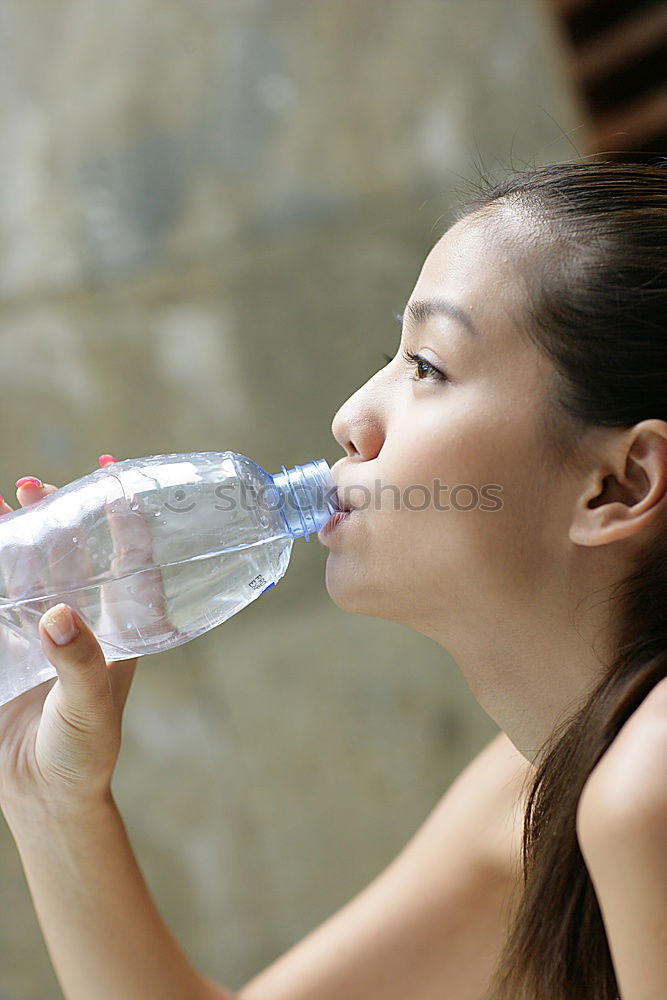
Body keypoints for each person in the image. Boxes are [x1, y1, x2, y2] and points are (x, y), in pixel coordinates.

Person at [1, 159, 666, 1000]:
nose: (350, 418)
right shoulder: (530, 789)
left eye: (426, 365)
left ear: (618, 485)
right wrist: (46, 794)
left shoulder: (651, 778)